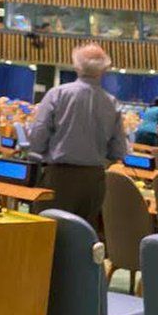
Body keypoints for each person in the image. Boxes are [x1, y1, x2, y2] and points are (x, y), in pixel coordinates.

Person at [28, 43, 126, 224]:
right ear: (104, 69)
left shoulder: (57, 94)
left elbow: (38, 137)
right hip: (95, 181)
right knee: (81, 238)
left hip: (59, 177)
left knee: (48, 235)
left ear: (76, 66)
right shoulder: (112, 103)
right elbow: (118, 150)